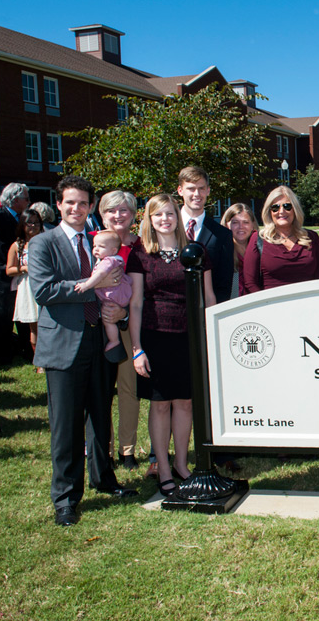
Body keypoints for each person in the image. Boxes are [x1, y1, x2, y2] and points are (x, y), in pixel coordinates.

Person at [28, 175, 136, 527]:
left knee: (100, 416)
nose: (76, 208)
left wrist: (118, 310)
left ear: (91, 207)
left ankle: (104, 479)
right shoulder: (44, 243)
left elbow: (116, 283)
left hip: (99, 340)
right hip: (63, 343)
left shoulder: (99, 242)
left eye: (83, 203)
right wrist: (93, 286)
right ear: (58, 204)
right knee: (66, 425)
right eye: (69, 202)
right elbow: (44, 290)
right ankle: (66, 497)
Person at [128, 194, 216, 497]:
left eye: (169, 214)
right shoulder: (140, 254)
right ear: (149, 220)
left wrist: (209, 337)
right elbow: (136, 303)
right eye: (158, 215)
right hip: (155, 337)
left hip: (189, 336)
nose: (165, 220)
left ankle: (181, 463)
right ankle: (163, 468)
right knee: (161, 404)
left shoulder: (195, 250)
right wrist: (137, 348)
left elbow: (208, 297)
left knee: (186, 403)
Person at [96, 190, 143, 471]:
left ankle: (127, 450)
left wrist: (123, 312)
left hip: (129, 328)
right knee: (101, 390)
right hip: (98, 329)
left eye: (123, 210)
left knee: (129, 389)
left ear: (133, 213)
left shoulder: (141, 246)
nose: (117, 215)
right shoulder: (92, 245)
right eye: (111, 210)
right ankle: (104, 449)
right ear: (101, 214)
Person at [243, 186, 319, 292]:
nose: (281, 211)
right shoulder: (258, 239)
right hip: (270, 305)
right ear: (269, 212)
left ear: (295, 209)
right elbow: (250, 282)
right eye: (275, 207)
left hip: (307, 304)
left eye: (287, 206)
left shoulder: (312, 238)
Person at [0, 182, 31, 365]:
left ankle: (23, 346)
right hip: (2, 276)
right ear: (15, 199)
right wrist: (20, 263)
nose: (29, 201)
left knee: (21, 311)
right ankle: (3, 352)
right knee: (2, 315)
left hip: (18, 274)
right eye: (26, 198)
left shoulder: (22, 218)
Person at [177, 166, 235, 304]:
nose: (197, 194)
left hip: (205, 311)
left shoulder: (222, 235)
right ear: (180, 190)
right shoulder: (167, 228)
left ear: (208, 191)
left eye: (201, 188)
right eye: (191, 188)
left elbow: (223, 285)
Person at [74, 230, 132, 362]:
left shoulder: (108, 262)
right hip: (116, 294)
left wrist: (87, 285)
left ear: (113, 250)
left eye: (101, 247)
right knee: (108, 319)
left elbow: (99, 275)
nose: (96, 249)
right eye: (95, 246)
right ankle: (114, 340)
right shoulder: (110, 259)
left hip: (111, 295)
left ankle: (114, 340)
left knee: (108, 320)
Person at [5, 209, 43, 372]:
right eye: (29, 223)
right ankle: (39, 361)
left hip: (44, 284)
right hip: (27, 287)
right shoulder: (17, 245)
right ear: (23, 225)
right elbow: (9, 269)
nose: (33, 226)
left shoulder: (45, 241)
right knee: (34, 325)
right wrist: (26, 268)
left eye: (36, 222)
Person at [221, 203, 259, 297]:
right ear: (227, 225)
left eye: (245, 222)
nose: (241, 226)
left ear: (252, 225)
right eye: (235, 222)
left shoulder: (261, 250)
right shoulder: (222, 253)